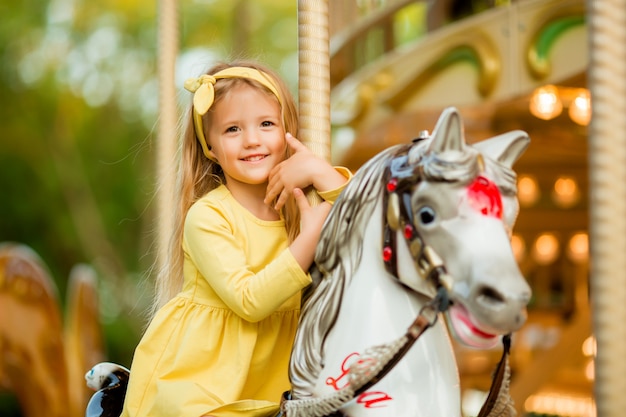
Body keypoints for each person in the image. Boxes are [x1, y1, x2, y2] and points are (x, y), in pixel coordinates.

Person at [120, 60, 351, 417]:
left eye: (266, 124)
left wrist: (323, 174)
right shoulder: (208, 216)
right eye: (232, 129)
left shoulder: (302, 208)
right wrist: (309, 239)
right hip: (205, 387)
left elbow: (364, 228)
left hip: (278, 386)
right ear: (209, 145)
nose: (252, 140)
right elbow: (250, 300)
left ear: (287, 130)